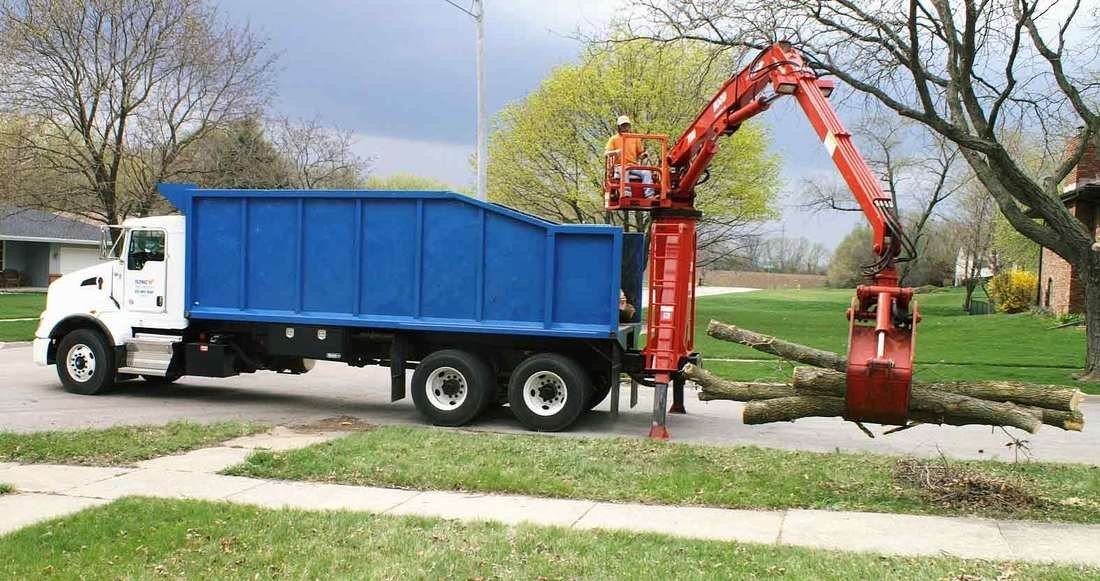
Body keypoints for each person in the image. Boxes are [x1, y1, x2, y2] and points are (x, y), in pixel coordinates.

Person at [605, 115, 655, 197]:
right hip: (620, 166)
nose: (625, 127)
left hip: (633, 166)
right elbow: (606, 153)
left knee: (646, 172)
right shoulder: (614, 139)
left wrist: (644, 155)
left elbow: (640, 154)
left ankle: (650, 195)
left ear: (629, 126)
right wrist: (615, 152)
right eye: (623, 125)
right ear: (619, 127)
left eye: (627, 125)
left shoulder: (635, 138)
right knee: (624, 170)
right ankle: (626, 193)